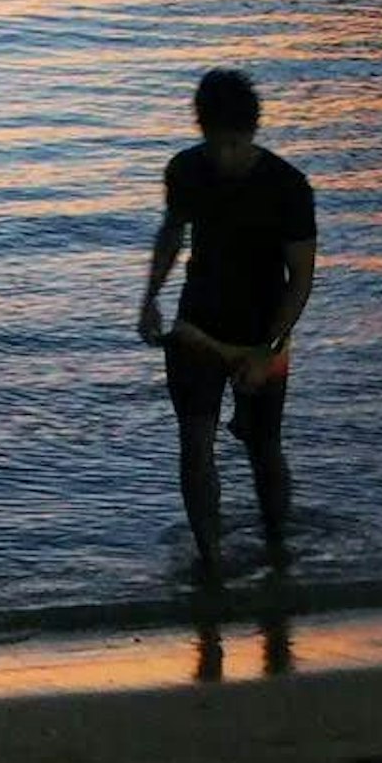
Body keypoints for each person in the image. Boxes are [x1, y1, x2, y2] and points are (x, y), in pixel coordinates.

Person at [135, 66, 316, 579]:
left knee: (265, 451)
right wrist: (149, 298)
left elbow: (299, 279)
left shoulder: (288, 187)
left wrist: (268, 350)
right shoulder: (186, 171)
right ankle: (210, 562)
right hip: (197, 329)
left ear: (252, 132)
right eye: (216, 143)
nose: (224, 156)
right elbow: (172, 234)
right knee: (195, 448)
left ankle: (280, 554)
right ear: (202, 130)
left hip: (264, 330)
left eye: (235, 144)